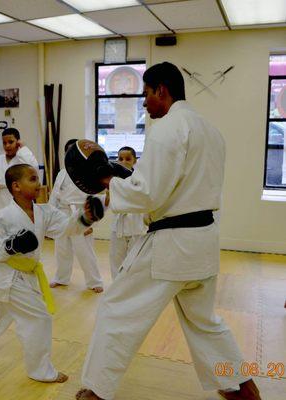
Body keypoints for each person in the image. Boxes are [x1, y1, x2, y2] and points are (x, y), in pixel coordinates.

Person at [75, 62, 261, 400]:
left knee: (116, 309)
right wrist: (123, 178)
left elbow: (149, 192)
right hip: (204, 240)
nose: (144, 103)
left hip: (171, 244)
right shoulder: (210, 130)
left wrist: (105, 178)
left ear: (162, 89)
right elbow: (172, 183)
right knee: (204, 322)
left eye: (146, 94)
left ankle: (95, 393)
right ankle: (242, 388)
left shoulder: (167, 127)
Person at [0, 163, 103, 383]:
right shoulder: (4, 215)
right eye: (33, 179)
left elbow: (66, 229)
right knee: (39, 319)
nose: (39, 184)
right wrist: (12, 245)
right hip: (9, 276)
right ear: (16, 186)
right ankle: (40, 370)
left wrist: (85, 217)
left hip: (29, 276)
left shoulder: (44, 211)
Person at [49, 139, 104, 293]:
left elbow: (94, 200)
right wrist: (51, 215)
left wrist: (91, 223)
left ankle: (95, 281)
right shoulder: (62, 173)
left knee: (85, 251)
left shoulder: (89, 172)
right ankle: (61, 277)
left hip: (80, 214)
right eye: (67, 151)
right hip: (61, 214)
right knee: (62, 249)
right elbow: (54, 195)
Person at [109, 146, 147, 280]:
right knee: (116, 260)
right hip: (118, 226)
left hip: (136, 226)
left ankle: (131, 290)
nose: (124, 161)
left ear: (135, 161)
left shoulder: (141, 178)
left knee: (134, 262)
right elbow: (109, 201)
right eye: (120, 159)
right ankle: (116, 288)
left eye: (128, 159)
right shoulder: (114, 180)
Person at [0, 127, 38, 217]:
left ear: (18, 142)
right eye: (4, 143)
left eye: (11, 142)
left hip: (19, 205)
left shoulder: (23, 160)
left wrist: (23, 148)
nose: (7, 146)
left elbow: (34, 167)